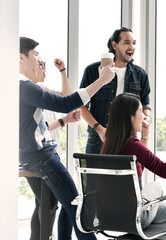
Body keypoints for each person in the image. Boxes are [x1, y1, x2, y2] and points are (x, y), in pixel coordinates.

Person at [19, 36, 114, 240]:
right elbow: (65, 102)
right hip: (42, 158)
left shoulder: (19, 86)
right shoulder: (24, 86)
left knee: (61, 206)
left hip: (36, 157)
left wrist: (63, 121)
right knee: (77, 208)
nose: (39, 59)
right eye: (36, 54)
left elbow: (32, 126)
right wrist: (102, 81)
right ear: (21, 57)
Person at [101, 92, 166, 239]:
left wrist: (144, 136)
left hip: (106, 215)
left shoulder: (109, 144)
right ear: (130, 117)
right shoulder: (133, 145)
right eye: (140, 112)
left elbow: (138, 168)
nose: (144, 116)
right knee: (156, 186)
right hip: (133, 216)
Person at [25, 56, 78, 240]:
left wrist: (62, 71)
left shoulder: (42, 90)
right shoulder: (28, 93)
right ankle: (45, 236)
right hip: (41, 156)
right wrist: (64, 120)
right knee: (48, 204)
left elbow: (66, 96)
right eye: (41, 64)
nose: (44, 68)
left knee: (43, 203)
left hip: (49, 153)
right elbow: (42, 127)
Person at [80, 27, 151, 155]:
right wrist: (100, 129)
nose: (132, 46)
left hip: (128, 141)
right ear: (114, 45)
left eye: (134, 43)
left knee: (132, 175)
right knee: (96, 176)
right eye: (126, 42)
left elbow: (145, 104)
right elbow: (81, 105)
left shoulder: (140, 74)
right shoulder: (92, 71)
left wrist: (147, 118)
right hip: (97, 140)